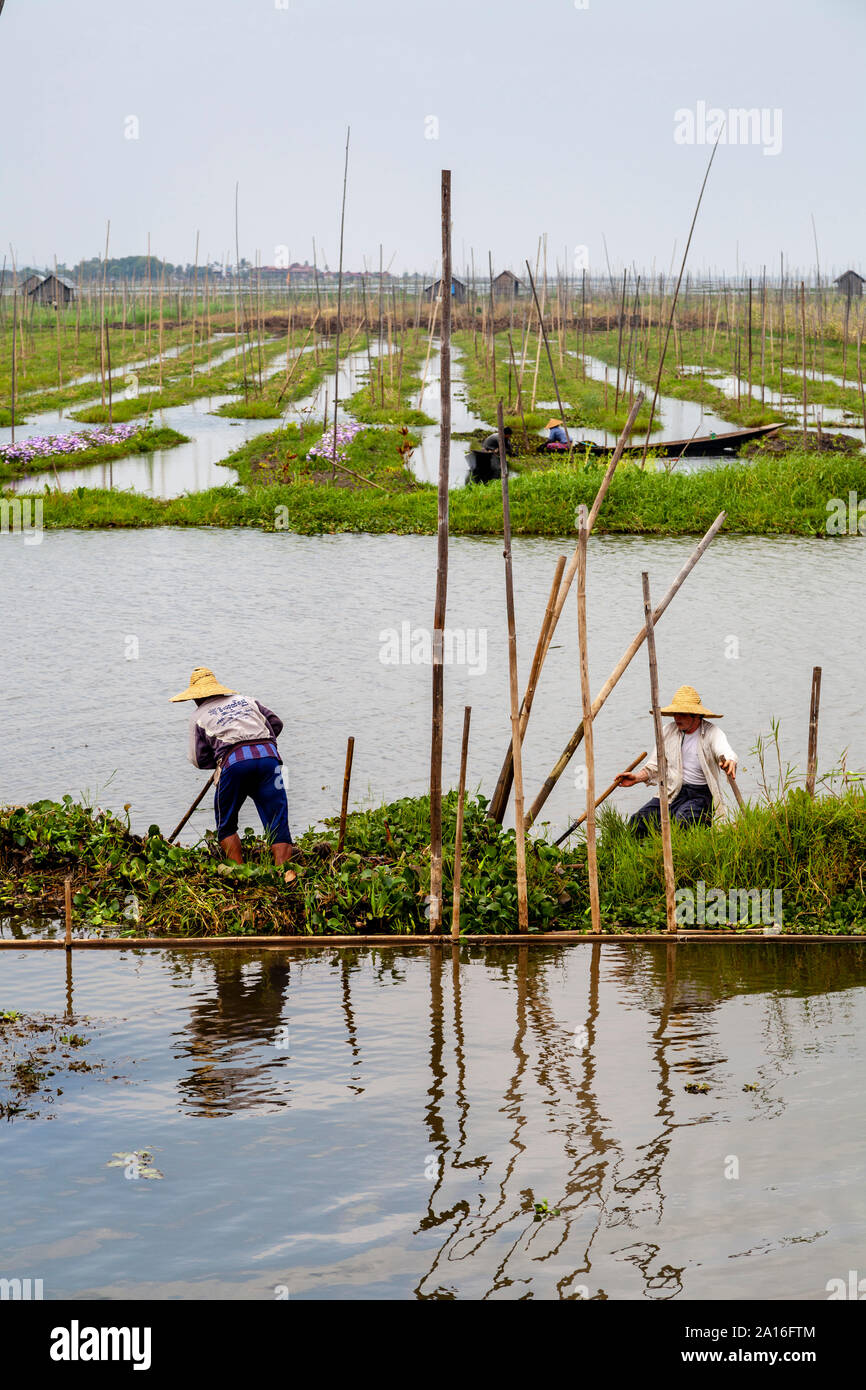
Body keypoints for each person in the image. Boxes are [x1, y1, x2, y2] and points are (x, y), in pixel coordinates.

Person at [171, 667, 297, 879]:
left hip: (234, 764)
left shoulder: (198, 716)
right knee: (277, 818)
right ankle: (286, 874)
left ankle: (240, 873)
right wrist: (259, 744)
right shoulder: (246, 700)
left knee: (226, 822)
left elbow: (198, 759)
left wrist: (220, 759)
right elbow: (276, 723)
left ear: (195, 698)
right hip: (269, 759)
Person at [617, 685, 737, 839]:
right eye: (675, 713)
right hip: (673, 791)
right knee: (638, 821)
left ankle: (683, 855)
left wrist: (730, 760)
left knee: (683, 820)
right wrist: (636, 778)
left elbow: (724, 750)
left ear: (696, 715)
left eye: (682, 714)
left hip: (701, 795)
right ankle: (644, 857)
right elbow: (655, 766)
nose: (677, 718)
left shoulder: (711, 732)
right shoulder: (668, 731)